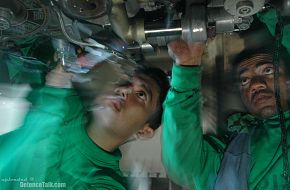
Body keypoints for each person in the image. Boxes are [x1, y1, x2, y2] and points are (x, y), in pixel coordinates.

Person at [0, 43, 170, 189]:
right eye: (126, 82)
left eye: (141, 94)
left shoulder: (106, 184)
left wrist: (54, 88)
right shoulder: (68, 101)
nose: (124, 89)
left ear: (143, 131)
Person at [161, 39, 290, 190]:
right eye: (244, 80)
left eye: (268, 71)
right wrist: (186, 68)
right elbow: (184, 163)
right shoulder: (230, 147)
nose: (256, 84)